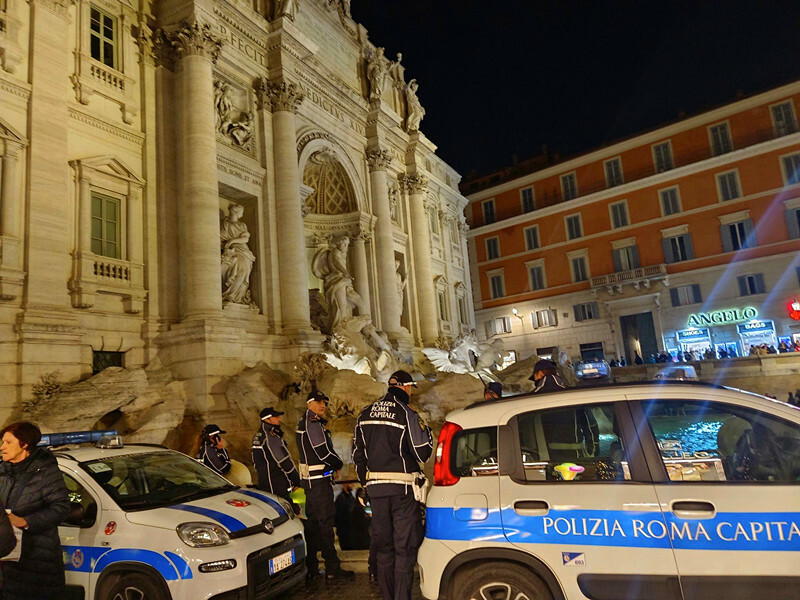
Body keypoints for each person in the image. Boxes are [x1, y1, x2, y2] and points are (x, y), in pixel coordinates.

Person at [352, 370, 433, 600]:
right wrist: (427, 432)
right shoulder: (407, 413)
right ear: (406, 388)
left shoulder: (364, 414)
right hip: (403, 491)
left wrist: (367, 484)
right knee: (404, 549)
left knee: (384, 550)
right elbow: (422, 453)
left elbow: (357, 455)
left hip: (376, 491)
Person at [0, 422, 70, 600]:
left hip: (37, 564)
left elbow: (61, 508)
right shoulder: (2, 472)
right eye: (2, 442)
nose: (2, 447)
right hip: (6, 564)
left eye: (8, 442)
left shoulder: (45, 471)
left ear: (24, 444)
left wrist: (24, 521)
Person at [296, 391, 353, 582]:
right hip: (318, 484)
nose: (322, 405)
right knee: (325, 524)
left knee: (312, 525)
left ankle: (311, 566)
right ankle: (332, 567)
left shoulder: (304, 422)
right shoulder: (312, 423)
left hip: (309, 483)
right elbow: (322, 451)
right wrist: (337, 464)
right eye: (318, 402)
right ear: (309, 404)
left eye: (324, 402)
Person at [252, 407, 300, 503]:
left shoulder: (258, 436)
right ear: (266, 419)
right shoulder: (270, 436)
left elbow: (256, 463)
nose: (279, 419)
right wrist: (296, 480)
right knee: (289, 511)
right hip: (277, 485)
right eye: (276, 417)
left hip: (265, 483)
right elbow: (284, 461)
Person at [220, 203, 256, 306]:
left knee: (244, 270)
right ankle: (230, 295)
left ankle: (235, 296)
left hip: (243, 251)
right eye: (241, 212)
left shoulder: (242, 225)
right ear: (236, 212)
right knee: (234, 270)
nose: (243, 214)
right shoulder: (223, 223)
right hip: (229, 251)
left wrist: (231, 241)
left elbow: (245, 238)